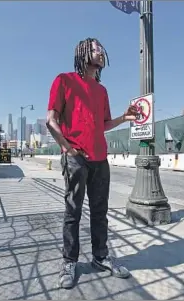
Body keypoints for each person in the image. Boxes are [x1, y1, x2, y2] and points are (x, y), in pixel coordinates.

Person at [46, 37, 138, 289]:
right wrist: (68, 148)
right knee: (72, 212)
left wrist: (124, 117)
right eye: (95, 50)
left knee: (100, 212)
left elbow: (104, 124)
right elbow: (51, 120)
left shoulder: (102, 90)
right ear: (82, 53)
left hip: (100, 158)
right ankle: (69, 261)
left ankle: (100, 256)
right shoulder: (64, 80)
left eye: (101, 50)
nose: (100, 53)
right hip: (76, 158)